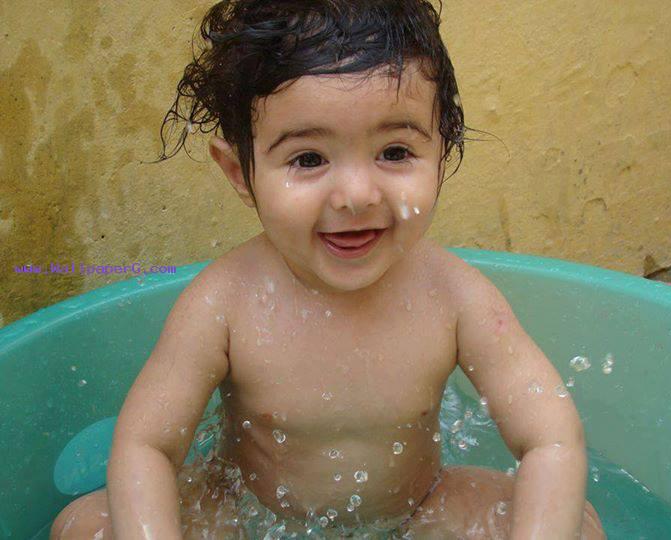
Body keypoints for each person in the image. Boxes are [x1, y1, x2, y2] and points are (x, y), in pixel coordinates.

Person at [51, 0, 605, 538]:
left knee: (577, 526)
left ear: (442, 149)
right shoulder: (224, 303)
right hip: (246, 514)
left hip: (419, 510)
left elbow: (551, 439)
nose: (357, 195)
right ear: (240, 173)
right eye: (308, 159)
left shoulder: (456, 297)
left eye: (395, 151)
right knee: (84, 527)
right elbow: (146, 446)